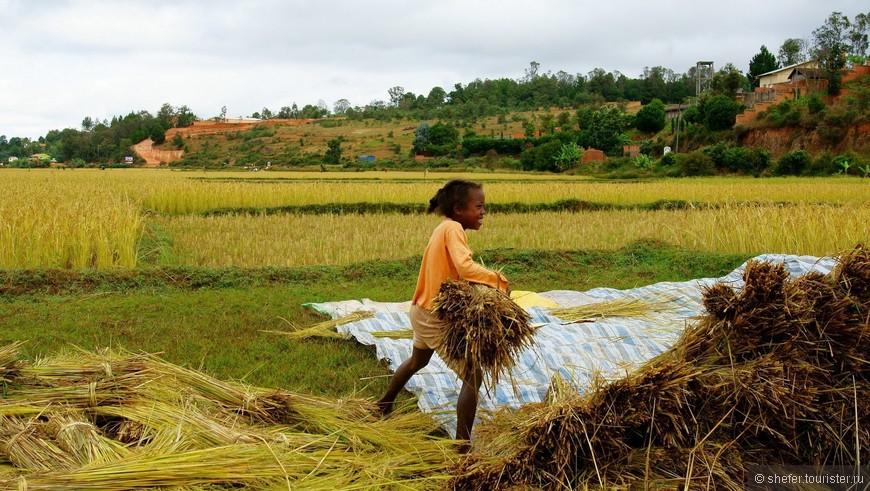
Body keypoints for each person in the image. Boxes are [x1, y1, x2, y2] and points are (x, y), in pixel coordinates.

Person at [376, 179, 509, 452]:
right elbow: (466, 267)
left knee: (417, 360)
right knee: (474, 376)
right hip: (432, 316)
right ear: (459, 209)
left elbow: (455, 271)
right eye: (479, 206)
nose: (484, 212)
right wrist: (498, 280)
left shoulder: (445, 227)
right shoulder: (454, 229)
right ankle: (462, 445)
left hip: (422, 310)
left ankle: (383, 405)